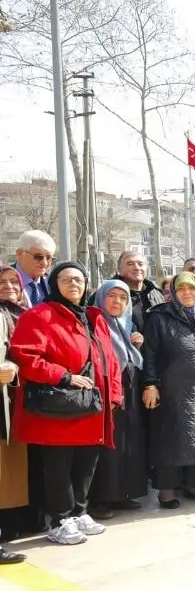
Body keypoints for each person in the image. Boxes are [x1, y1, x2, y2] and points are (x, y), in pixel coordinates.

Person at [10, 261, 122, 544]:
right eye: (66, 280)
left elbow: (111, 361)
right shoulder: (39, 316)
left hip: (93, 406)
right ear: (54, 284)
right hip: (59, 408)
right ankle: (59, 519)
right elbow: (25, 357)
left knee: (86, 463)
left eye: (79, 280)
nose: (74, 285)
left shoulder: (94, 317)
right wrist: (63, 376)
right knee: (59, 466)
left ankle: (78, 512)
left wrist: (116, 394)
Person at [142, 271, 195, 508]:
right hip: (171, 388)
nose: (187, 293)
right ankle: (167, 490)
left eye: (192, 288)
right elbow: (149, 355)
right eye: (181, 289)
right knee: (170, 437)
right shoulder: (159, 317)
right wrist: (150, 384)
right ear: (174, 292)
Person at [86, 280, 149, 519]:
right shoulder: (94, 323)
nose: (117, 302)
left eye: (123, 298)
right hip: (106, 387)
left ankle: (121, 493)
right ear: (101, 297)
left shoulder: (127, 326)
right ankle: (100, 498)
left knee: (127, 441)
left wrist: (138, 344)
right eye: (111, 296)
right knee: (107, 444)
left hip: (128, 386)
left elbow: (131, 358)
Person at [0, 265, 29, 560]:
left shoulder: (22, 313)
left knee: (9, 471)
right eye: (2, 282)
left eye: (13, 281)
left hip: (15, 400)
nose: (9, 286)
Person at [111, 249, 166, 330]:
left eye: (140, 264)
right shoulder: (108, 293)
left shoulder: (156, 292)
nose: (136, 268)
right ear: (120, 270)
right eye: (130, 264)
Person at [13, 229, 55, 307]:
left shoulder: (53, 282)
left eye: (49, 257)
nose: (44, 263)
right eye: (38, 257)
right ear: (19, 253)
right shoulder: (3, 278)